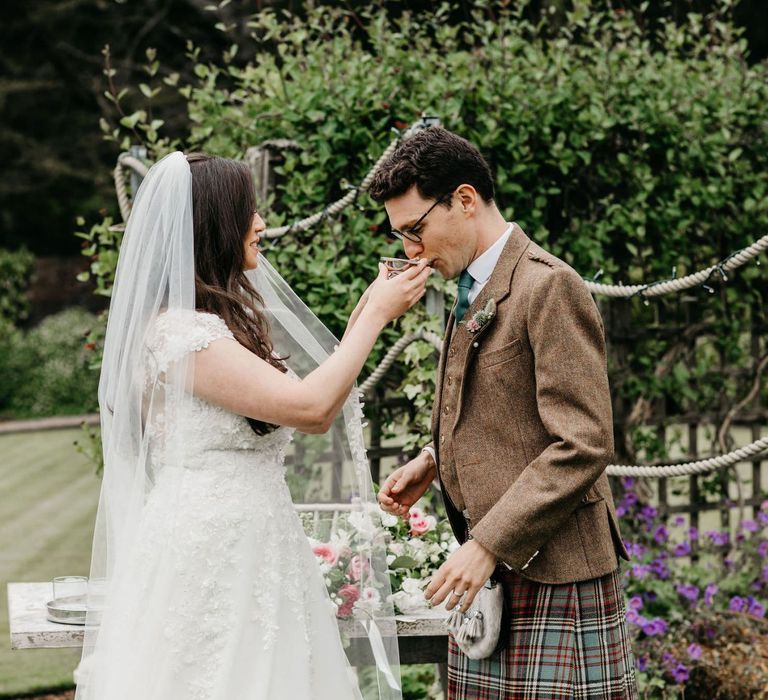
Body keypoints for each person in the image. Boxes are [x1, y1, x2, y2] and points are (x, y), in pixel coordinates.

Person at [74, 151, 429, 700]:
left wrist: (367, 309)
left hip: (259, 541)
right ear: (214, 226)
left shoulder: (212, 324)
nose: (261, 224)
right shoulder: (180, 337)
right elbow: (311, 410)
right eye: (249, 213)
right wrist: (379, 317)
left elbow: (313, 389)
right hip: (212, 552)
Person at [373, 127, 638, 699]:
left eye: (415, 230)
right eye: (401, 237)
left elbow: (583, 441)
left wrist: (488, 542)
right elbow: (505, 407)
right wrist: (433, 460)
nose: (410, 252)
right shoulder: (473, 284)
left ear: (465, 200)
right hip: (498, 573)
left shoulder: (549, 286)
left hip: (557, 570)